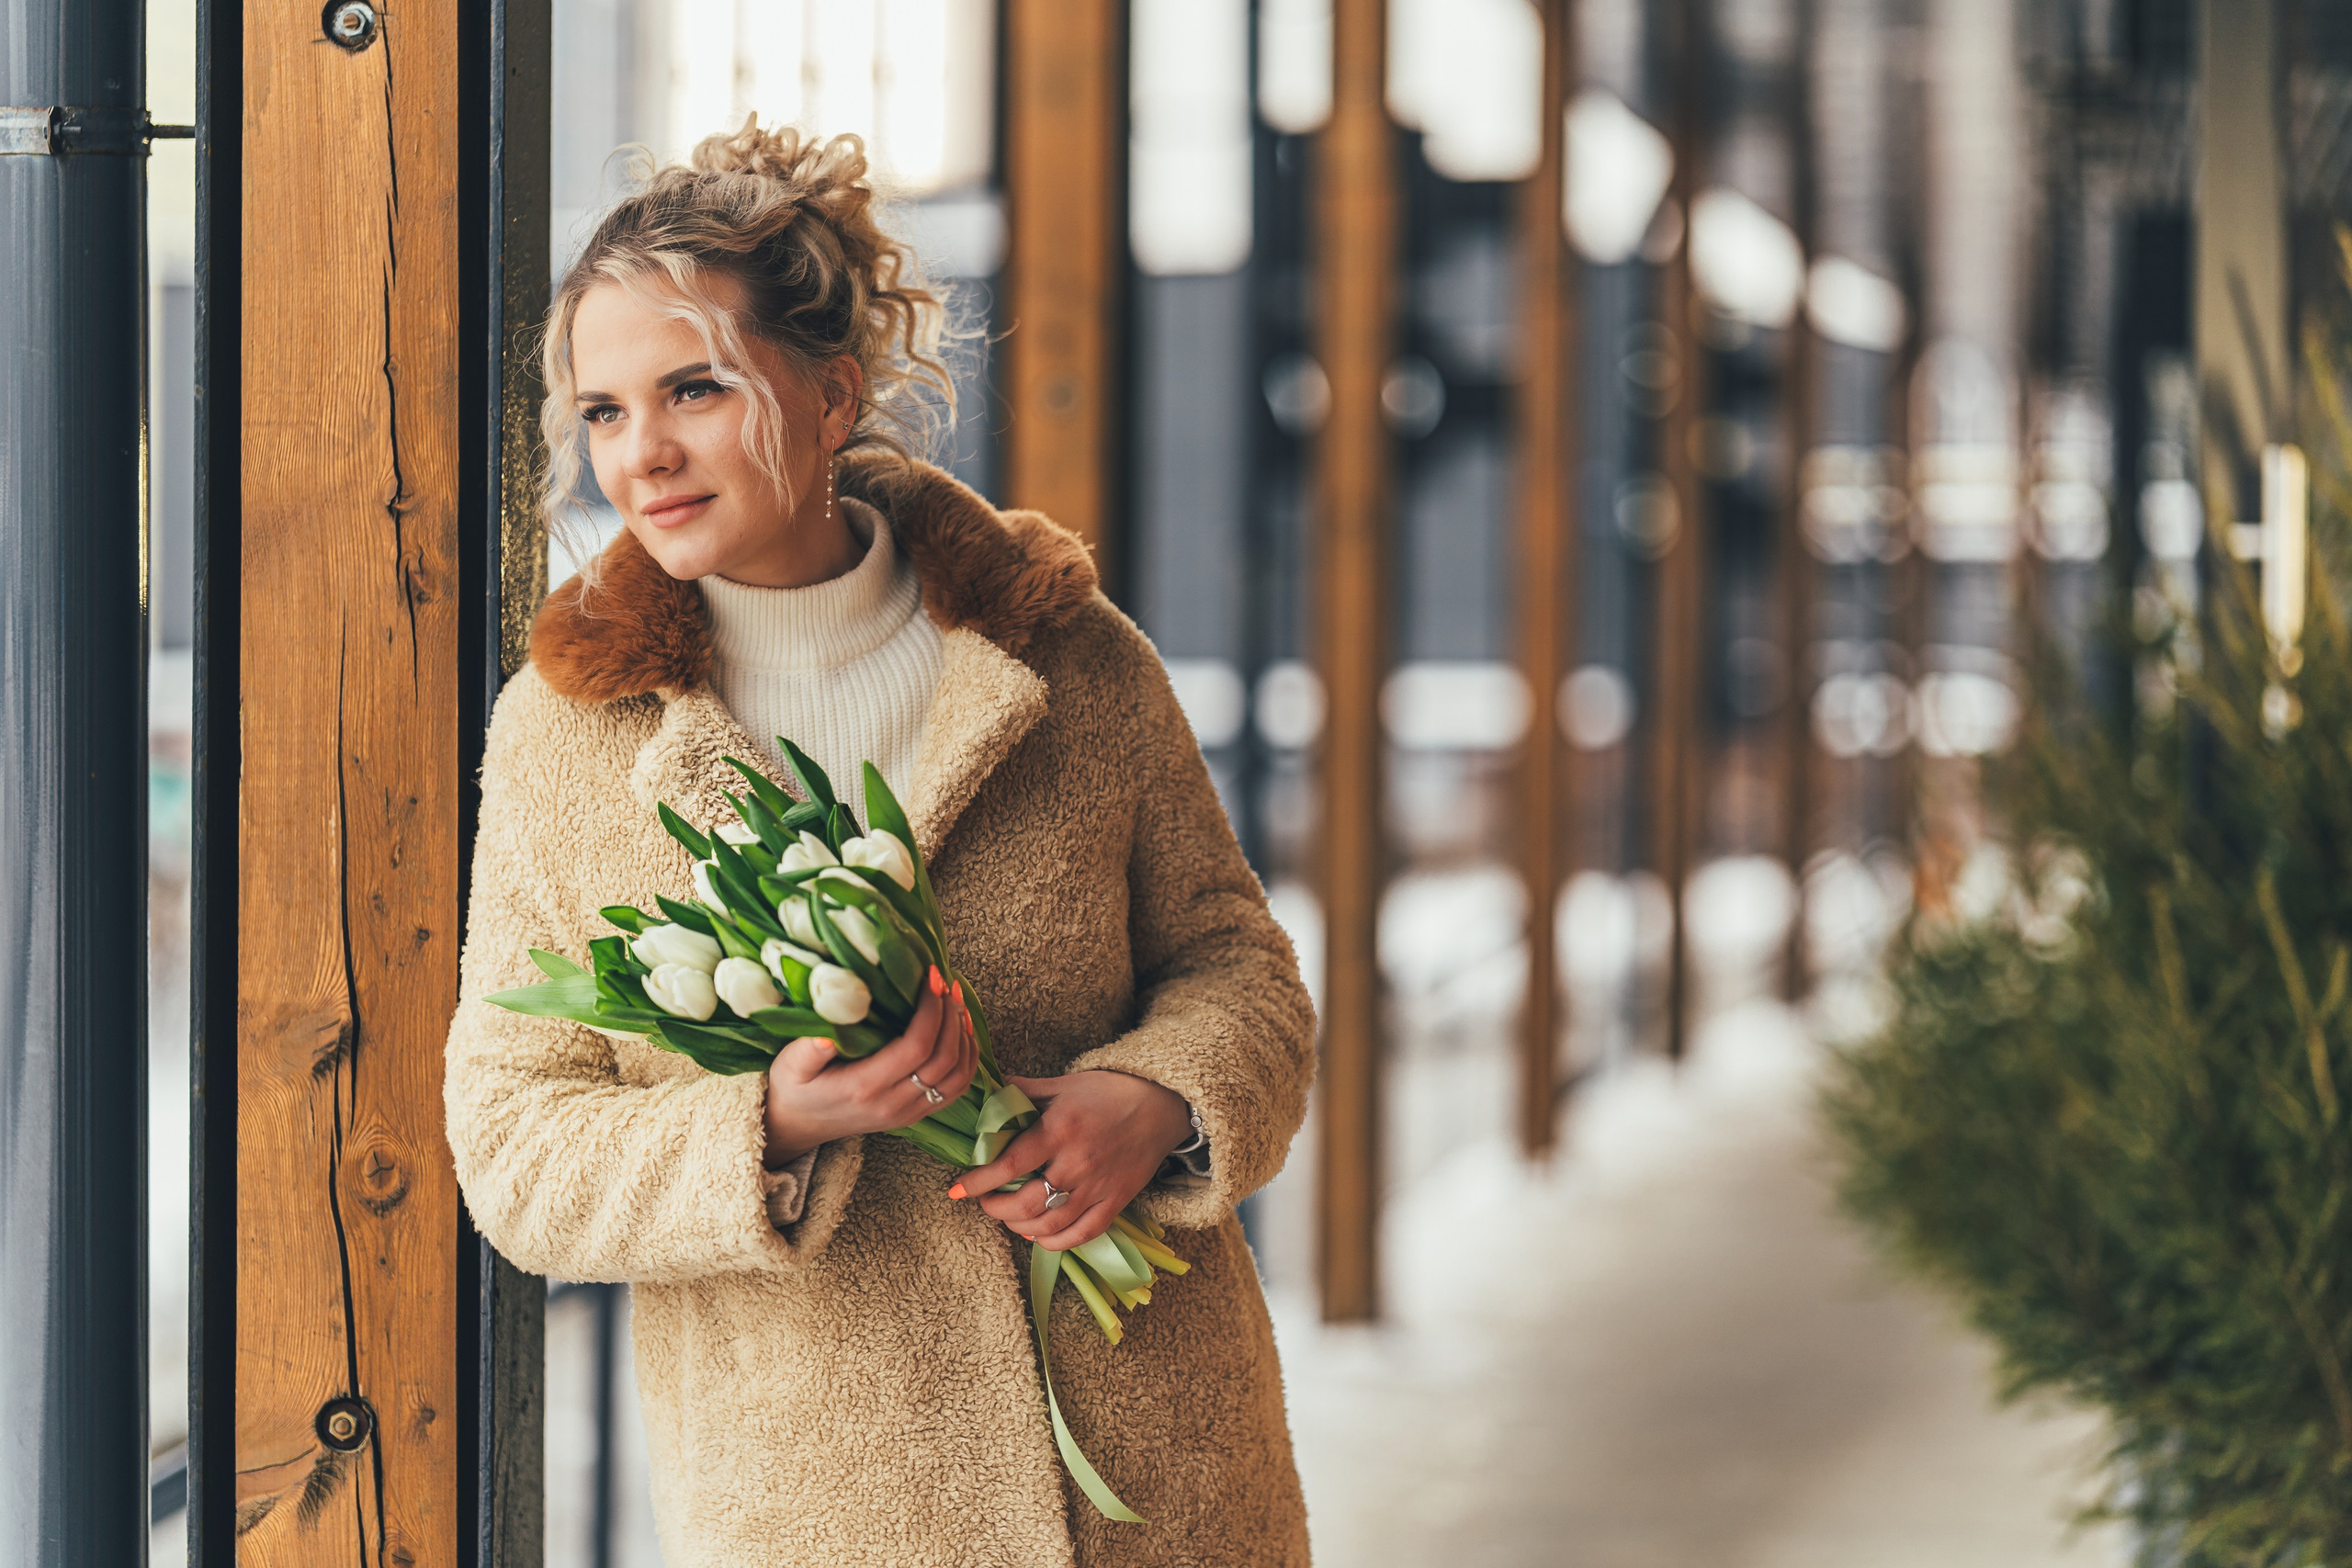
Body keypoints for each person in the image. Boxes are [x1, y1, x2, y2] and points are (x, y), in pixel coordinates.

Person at [443, 119, 1316, 1566]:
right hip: (819, 1507)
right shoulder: (569, 732)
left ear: (833, 392)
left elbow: (1241, 967)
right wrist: (769, 1128)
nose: (641, 453)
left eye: (694, 388)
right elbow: (515, 1148)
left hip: (1160, 1477)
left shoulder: (1063, 654)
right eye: (601, 411)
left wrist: (1158, 1101)